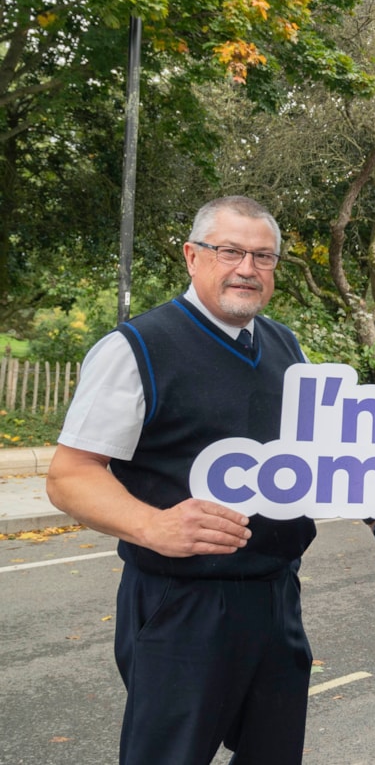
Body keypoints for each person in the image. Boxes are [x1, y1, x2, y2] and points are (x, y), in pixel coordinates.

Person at [46, 196, 317, 764]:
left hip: (275, 597)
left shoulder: (285, 346)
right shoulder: (138, 346)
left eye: (263, 256)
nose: (247, 267)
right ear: (193, 257)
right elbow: (70, 475)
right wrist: (154, 526)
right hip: (182, 603)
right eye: (230, 251)